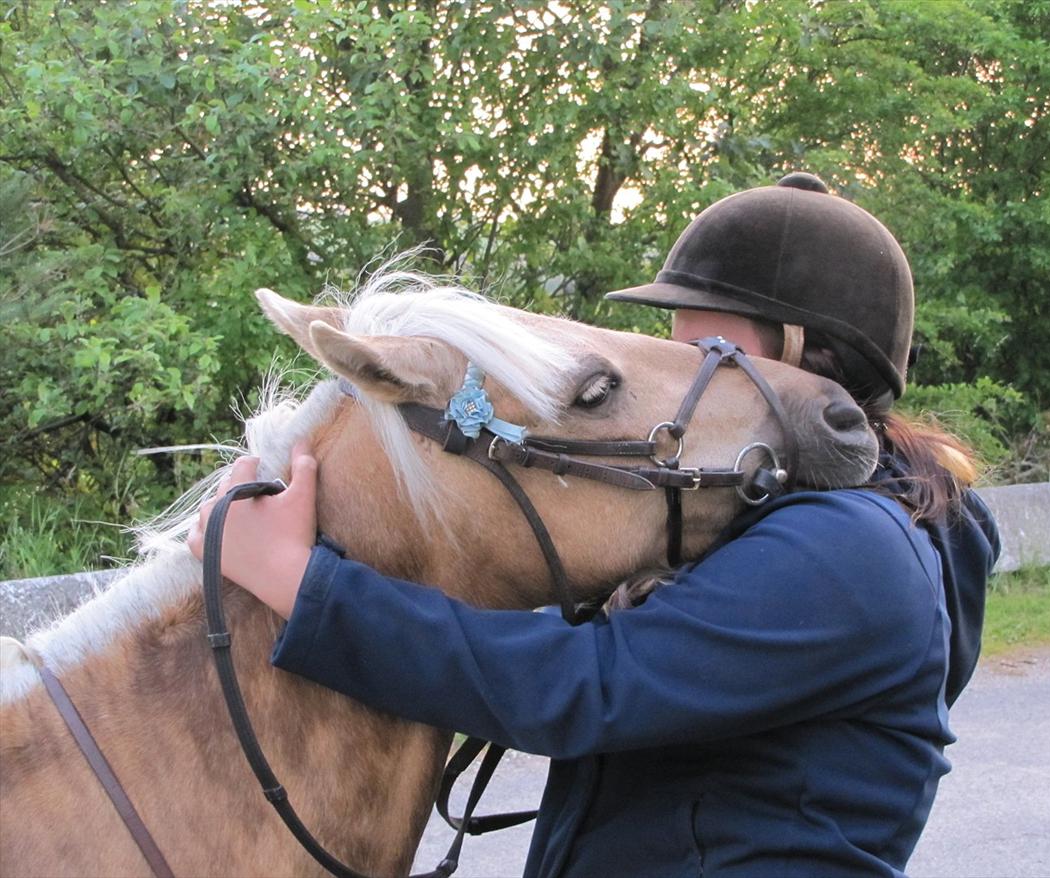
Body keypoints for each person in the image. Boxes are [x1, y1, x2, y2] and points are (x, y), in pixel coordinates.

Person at [188, 173, 1000, 877]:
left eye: (708, 331)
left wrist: (298, 583)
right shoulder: (777, 518)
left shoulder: (853, 550)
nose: (681, 353)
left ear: (797, 347)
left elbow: (585, 687)